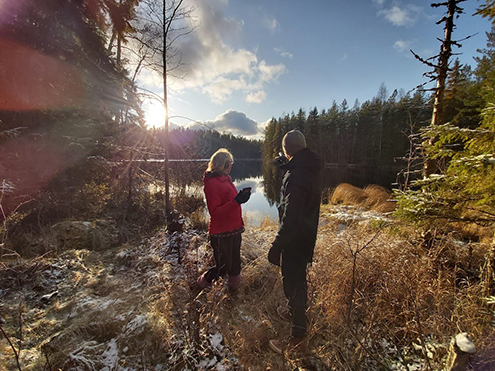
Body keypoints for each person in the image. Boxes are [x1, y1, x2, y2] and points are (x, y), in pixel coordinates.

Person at [267, 130, 323, 354]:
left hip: (295, 239)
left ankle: (298, 339)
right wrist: (287, 167)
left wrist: (276, 245)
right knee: (297, 281)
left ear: (287, 150)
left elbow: (291, 216)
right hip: (305, 235)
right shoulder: (307, 168)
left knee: (294, 284)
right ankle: (294, 313)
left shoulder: (297, 174)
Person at [196, 148, 251, 293]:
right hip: (221, 232)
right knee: (223, 267)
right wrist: (236, 201)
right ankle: (202, 283)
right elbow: (215, 211)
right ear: (225, 164)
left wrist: (240, 197)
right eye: (230, 163)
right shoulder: (212, 183)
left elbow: (231, 202)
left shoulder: (226, 180)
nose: (232, 165)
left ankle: (234, 292)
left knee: (235, 266)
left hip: (234, 228)